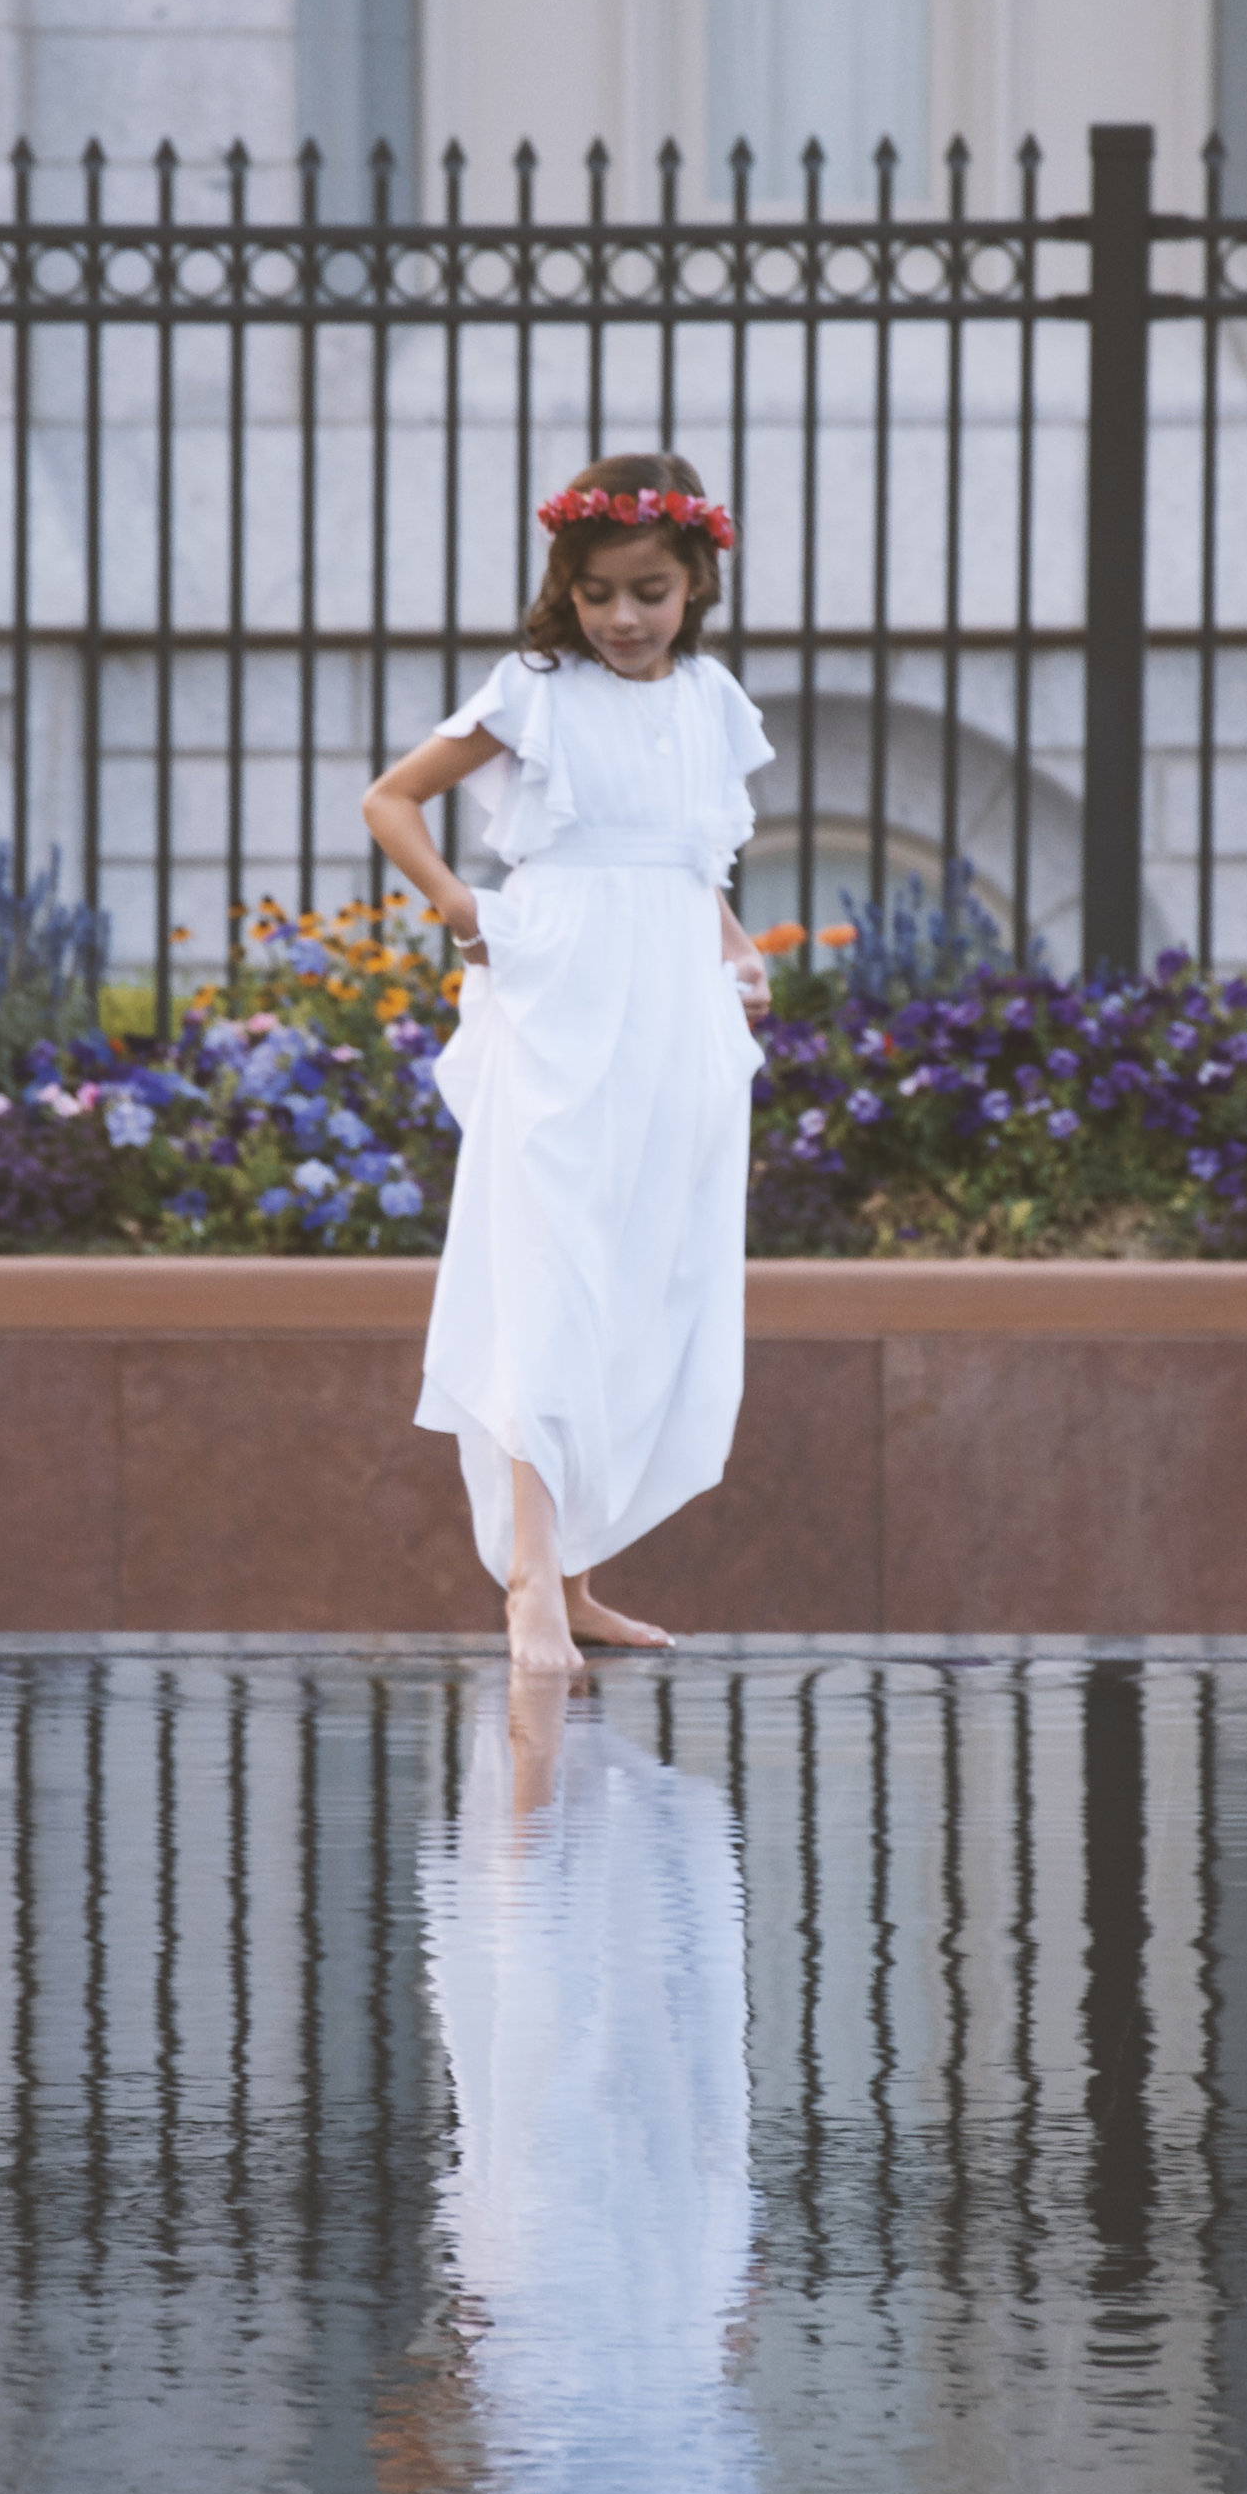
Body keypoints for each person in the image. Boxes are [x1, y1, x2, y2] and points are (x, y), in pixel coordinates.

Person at [361, 451, 774, 1674]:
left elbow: (690, 858)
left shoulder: (710, 700)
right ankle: (531, 1584)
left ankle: (579, 1576)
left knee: (639, 1280)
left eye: (648, 589)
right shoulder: (531, 688)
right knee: (546, 1273)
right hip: (556, 997)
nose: (622, 617)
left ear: (696, 579)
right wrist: (461, 911)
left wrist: (738, 948)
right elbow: (393, 800)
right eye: (597, 593)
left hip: (675, 1010)